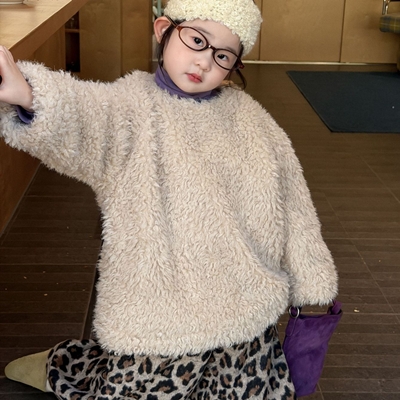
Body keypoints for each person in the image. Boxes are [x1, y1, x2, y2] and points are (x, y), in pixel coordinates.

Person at [0, 0, 338, 398]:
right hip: (160, 308)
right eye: (197, 40)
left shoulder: (253, 120)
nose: (204, 62)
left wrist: (314, 280)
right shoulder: (130, 107)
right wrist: (29, 95)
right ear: (164, 30)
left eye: (223, 56)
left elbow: (293, 203)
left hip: (242, 301)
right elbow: (85, 115)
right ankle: (64, 367)